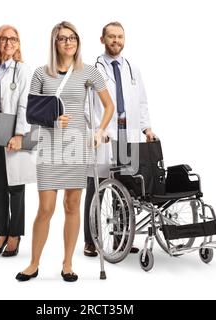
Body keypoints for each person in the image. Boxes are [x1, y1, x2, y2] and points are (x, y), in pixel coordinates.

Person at [16, 21, 114, 282]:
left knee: (72, 205)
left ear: (78, 42)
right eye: (62, 38)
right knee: (45, 209)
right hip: (49, 144)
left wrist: (99, 131)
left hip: (76, 144)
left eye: (72, 38)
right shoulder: (40, 73)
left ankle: (68, 264)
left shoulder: (88, 72)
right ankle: (33, 263)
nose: (68, 42)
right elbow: (31, 112)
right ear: (54, 42)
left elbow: (109, 106)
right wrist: (52, 119)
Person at [83, 21, 157, 257]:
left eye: (120, 37)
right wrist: (99, 128)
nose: (116, 41)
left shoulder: (133, 68)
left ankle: (121, 239)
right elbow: (87, 105)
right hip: (104, 135)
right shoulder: (93, 70)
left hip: (129, 133)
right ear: (102, 39)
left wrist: (146, 129)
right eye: (111, 37)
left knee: (126, 188)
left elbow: (142, 101)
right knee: (97, 187)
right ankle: (91, 240)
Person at [0, 25, 36, 257]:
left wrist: (20, 134)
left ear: (18, 44)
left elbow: (24, 103)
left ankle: (14, 235)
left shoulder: (21, 70)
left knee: (15, 183)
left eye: (13, 39)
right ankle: (1, 232)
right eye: (3, 39)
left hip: (10, 123)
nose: (8, 43)